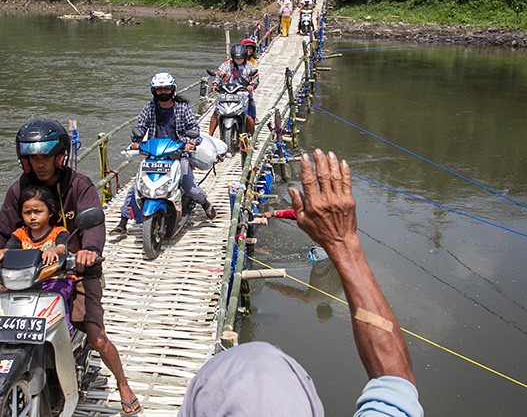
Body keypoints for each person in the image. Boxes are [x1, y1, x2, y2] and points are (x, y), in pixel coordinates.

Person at [179, 149, 423, 417]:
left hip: (321, 255)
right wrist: (343, 243)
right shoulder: (332, 293)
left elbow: (396, 384)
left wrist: (332, 245)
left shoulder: (319, 297)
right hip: (331, 256)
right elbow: (396, 383)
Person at [0, 118, 142, 416]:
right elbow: (2, 231)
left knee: (96, 335)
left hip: (74, 270)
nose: (40, 164)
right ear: (25, 159)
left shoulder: (79, 185)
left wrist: (89, 251)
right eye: (34, 157)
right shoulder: (19, 189)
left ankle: (123, 385)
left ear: (59, 156)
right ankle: (8, 358)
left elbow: (93, 224)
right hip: (27, 273)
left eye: (46, 157)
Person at [110, 72, 217, 236]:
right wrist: (136, 141)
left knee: (189, 186)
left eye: (166, 88)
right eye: (159, 89)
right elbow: (140, 126)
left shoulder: (182, 107)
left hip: (177, 154)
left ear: (172, 89)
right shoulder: (149, 108)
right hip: (154, 155)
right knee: (137, 186)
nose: (163, 92)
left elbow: (194, 128)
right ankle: (123, 222)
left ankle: (204, 203)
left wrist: (190, 143)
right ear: (154, 91)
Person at [0, 185, 76, 333]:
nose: (32, 217)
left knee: (57, 297)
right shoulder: (19, 234)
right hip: (23, 282)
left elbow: (62, 247)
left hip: (54, 280)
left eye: (38, 212)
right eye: (27, 213)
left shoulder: (59, 232)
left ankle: (64, 331)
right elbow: (9, 249)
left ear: (50, 212)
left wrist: (53, 250)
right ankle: (3, 334)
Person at [208, 44, 259, 140]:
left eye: (240, 58)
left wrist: (251, 85)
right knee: (216, 112)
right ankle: (210, 136)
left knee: (247, 116)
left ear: (244, 57)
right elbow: (219, 75)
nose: (238, 60)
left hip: (242, 93)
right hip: (226, 92)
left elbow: (255, 77)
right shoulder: (227, 64)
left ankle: (254, 138)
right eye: (236, 59)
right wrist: (215, 84)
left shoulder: (249, 66)